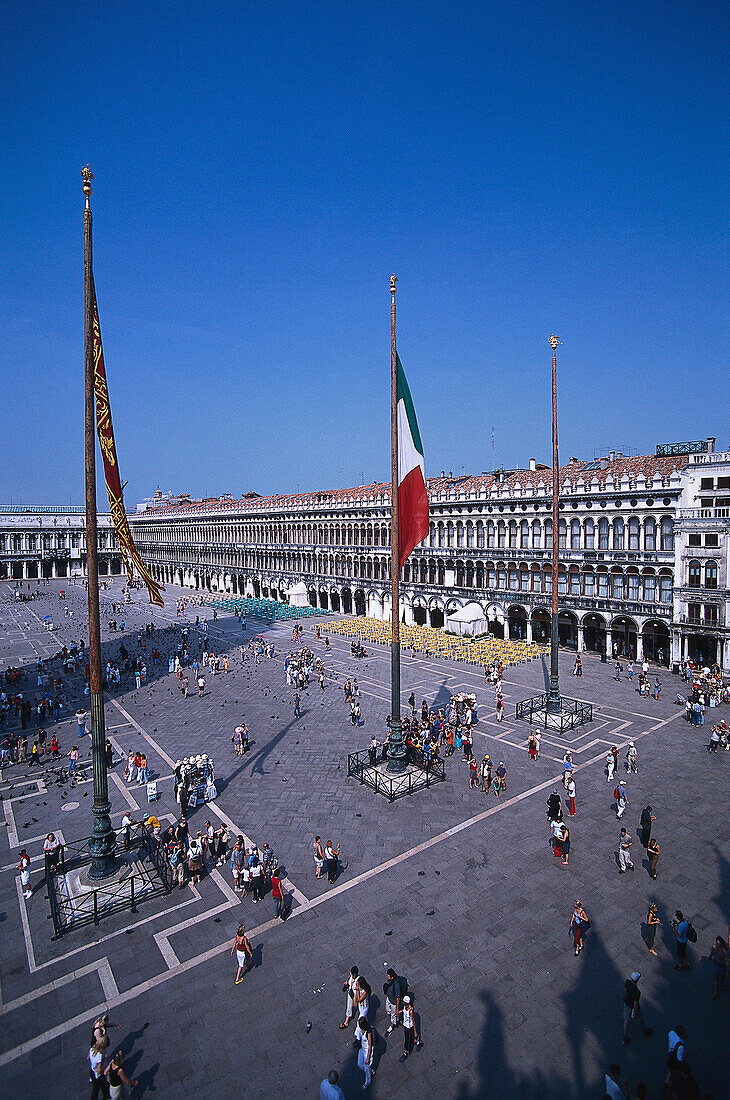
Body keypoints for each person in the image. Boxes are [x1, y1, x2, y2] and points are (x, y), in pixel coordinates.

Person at [622, 971, 653, 1044]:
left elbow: (625, 990)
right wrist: (634, 1012)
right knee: (640, 1019)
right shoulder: (637, 992)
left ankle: (624, 1037)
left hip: (626, 1003)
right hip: (632, 1007)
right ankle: (645, 1031)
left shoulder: (627, 982)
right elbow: (635, 1004)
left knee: (626, 1021)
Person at [384, 968, 407, 1034]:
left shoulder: (396, 985)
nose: (387, 976)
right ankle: (397, 1017)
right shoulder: (390, 981)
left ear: (392, 977)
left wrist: (397, 1009)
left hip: (394, 1002)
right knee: (388, 1010)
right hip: (389, 999)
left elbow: (398, 997)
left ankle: (392, 1026)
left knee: (393, 1015)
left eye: (388, 975)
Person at [400, 993, 421, 1061]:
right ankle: (417, 1042)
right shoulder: (405, 1007)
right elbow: (404, 1011)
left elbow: (413, 1021)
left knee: (407, 1039)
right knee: (410, 1037)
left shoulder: (410, 1011)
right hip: (405, 1025)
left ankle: (406, 1052)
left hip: (409, 1027)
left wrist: (415, 1032)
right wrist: (400, 1011)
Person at [356, 1016, 375, 1090]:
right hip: (362, 1049)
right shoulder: (362, 1030)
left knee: (366, 1067)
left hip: (367, 1051)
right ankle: (371, 1071)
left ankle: (367, 1082)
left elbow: (370, 1045)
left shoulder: (369, 1033)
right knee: (359, 1064)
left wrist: (367, 1058)